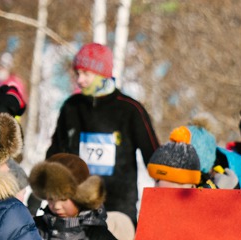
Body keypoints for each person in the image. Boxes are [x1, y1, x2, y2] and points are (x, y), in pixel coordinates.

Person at [46, 43, 159, 226]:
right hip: (77, 207)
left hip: (119, 208)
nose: (80, 80)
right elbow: (55, 153)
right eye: (77, 73)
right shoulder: (71, 107)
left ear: (102, 74)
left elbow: (153, 157)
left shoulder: (131, 109)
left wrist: (170, 190)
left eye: (86, 73)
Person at [29, 152, 128, 240]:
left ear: (81, 197)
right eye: (50, 198)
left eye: (63, 198)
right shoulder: (34, 229)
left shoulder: (99, 237)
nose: (57, 206)